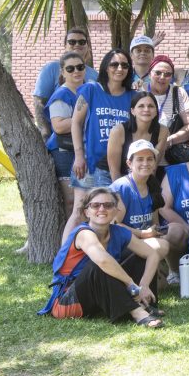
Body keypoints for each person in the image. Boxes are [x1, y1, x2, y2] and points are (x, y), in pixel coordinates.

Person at [38, 187, 164, 328]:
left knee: (139, 258)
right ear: (87, 212)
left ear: (116, 210)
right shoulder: (83, 233)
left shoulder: (119, 231)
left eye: (108, 205)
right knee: (100, 264)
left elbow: (152, 254)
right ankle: (137, 313)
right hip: (68, 302)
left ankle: (146, 304)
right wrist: (131, 284)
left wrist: (144, 285)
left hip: (97, 296)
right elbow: (103, 260)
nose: (102, 209)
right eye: (95, 205)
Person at [64, 49, 135, 245]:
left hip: (118, 168)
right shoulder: (91, 90)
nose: (119, 68)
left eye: (124, 65)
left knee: (109, 217)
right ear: (105, 67)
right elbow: (76, 123)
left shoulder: (133, 96)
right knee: (79, 212)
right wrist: (79, 155)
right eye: (114, 64)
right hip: (90, 164)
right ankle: (63, 260)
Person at [110, 140, 177, 258]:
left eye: (150, 159)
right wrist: (142, 234)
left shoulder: (153, 185)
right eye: (140, 159)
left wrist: (155, 232)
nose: (145, 163)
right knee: (162, 246)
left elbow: (154, 222)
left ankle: (171, 273)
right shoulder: (121, 187)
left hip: (140, 241)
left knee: (175, 230)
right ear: (129, 163)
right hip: (120, 244)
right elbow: (114, 225)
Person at [33, 27, 98, 138]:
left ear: (87, 46)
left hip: (88, 138)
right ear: (65, 46)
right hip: (60, 139)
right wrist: (45, 135)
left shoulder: (94, 74)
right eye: (72, 42)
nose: (77, 44)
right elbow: (39, 103)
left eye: (82, 42)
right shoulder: (51, 68)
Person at [44, 52, 87, 219]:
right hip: (64, 151)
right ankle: (69, 240)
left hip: (84, 150)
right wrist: (84, 117)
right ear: (63, 72)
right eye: (70, 68)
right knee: (71, 200)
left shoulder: (90, 88)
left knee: (84, 199)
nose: (76, 71)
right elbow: (59, 126)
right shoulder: (61, 95)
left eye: (80, 67)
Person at [104, 91, 168, 181]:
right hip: (108, 175)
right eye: (141, 106)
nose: (146, 109)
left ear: (156, 112)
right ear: (132, 111)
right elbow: (114, 172)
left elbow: (152, 168)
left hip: (139, 176)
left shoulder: (163, 131)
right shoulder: (118, 131)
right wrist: (120, 193)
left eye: (151, 106)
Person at [145, 55, 189, 164]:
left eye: (167, 74)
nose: (162, 77)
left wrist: (169, 141)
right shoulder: (139, 91)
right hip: (143, 158)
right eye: (158, 73)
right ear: (150, 73)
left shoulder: (178, 92)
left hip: (170, 161)